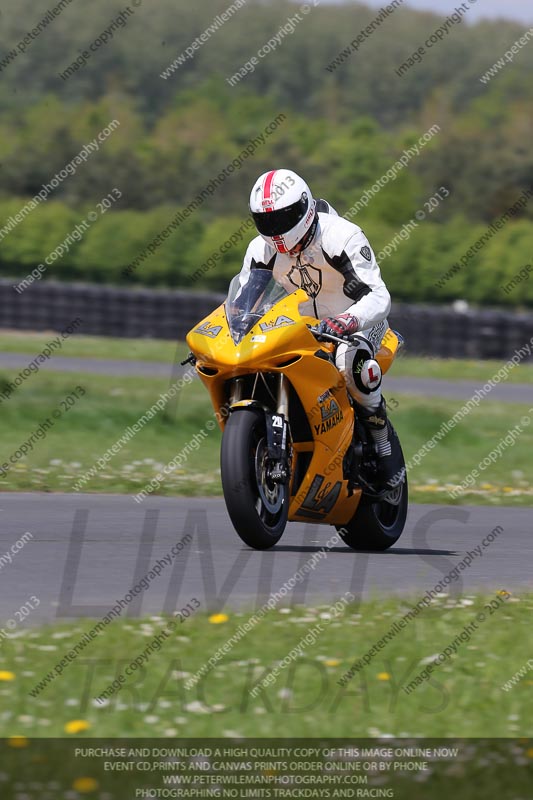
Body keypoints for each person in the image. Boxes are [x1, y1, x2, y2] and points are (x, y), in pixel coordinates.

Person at [239, 168, 405, 492]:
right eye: (266, 221)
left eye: (282, 218)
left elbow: (378, 295)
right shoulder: (261, 250)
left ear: (304, 207)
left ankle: (383, 447)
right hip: (297, 330)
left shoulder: (340, 236)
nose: (274, 230)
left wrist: (348, 321)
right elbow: (242, 302)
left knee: (351, 362)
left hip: (354, 323)